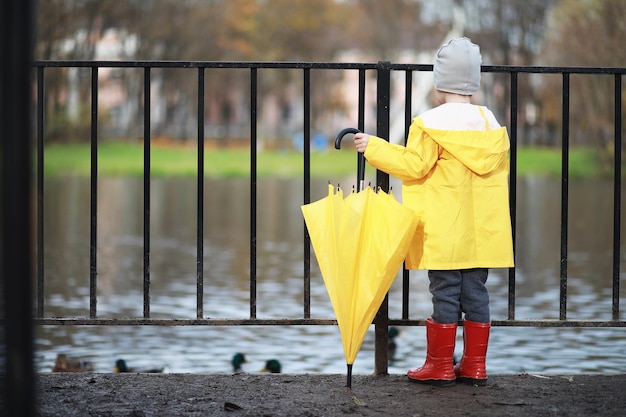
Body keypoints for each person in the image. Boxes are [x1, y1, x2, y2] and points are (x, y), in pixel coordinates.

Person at [353, 37, 514, 387]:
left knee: (444, 293)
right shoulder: (490, 123)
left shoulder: (430, 124)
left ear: (440, 84)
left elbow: (414, 165)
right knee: (476, 292)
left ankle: (440, 365)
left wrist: (375, 148)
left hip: (445, 230)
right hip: (481, 231)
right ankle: (474, 365)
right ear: (474, 82)